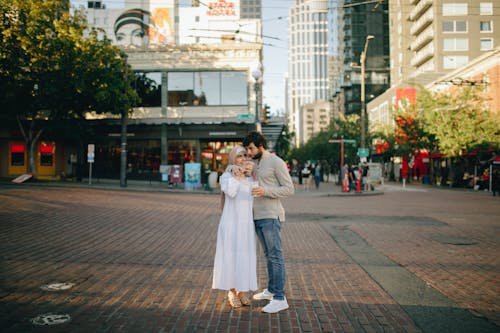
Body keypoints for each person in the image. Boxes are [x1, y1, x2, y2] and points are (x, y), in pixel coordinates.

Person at [243, 131, 294, 314]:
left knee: (276, 256)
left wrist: (265, 191)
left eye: (251, 148)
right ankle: (272, 290)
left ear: (260, 145)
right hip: (257, 216)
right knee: (268, 255)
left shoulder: (275, 162)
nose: (248, 152)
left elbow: (289, 189)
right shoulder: (257, 163)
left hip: (271, 216)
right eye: (247, 149)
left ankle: (280, 298)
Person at [212, 146, 257, 308]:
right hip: (231, 223)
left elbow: (253, 196)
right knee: (231, 256)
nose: (243, 158)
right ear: (232, 159)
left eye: (245, 155)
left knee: (244, 257)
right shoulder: (226, 176)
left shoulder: (249, 178)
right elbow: (230, 192)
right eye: (239, 156)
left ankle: (241, 291)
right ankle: (231, 291)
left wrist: (250, 175)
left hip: (245, 225)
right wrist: (236, 176)